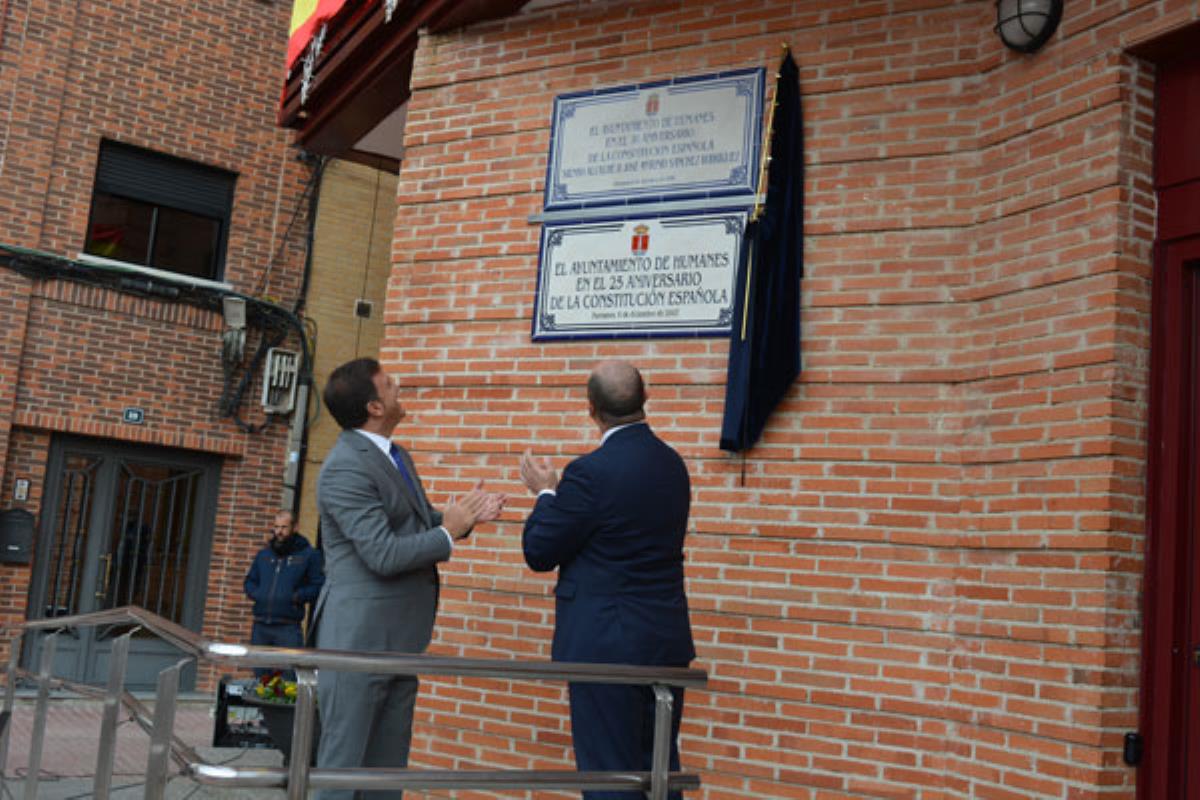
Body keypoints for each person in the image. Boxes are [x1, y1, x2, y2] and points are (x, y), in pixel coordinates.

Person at [313, 357, 503, 800]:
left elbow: (413, 525)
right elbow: (381, 553)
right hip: (357, 643)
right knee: (341, 776)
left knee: (385, 777)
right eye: (390, 385)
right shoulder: (344, 467)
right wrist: (447, 531)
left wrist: (464, 517)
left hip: (400, 643)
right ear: (375, 407)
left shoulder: (396, 455)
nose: (399, 389)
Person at [519, 360, 695, 800]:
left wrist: (545, 493)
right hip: (665, 642)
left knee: (609, 777)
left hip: (606, 648)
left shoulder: (588, 473)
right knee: (660, 770)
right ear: (646, 397)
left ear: (591, 410)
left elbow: (540, 551)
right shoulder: (673, 465)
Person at [242, 510, 324, 679]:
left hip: (288, 628)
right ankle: (263, 707)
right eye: (276, 527)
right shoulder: (264, 555)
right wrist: (259, 594)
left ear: (295, 527)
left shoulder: (309, 555)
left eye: (284, 527)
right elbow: (249, 582)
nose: (279, 532)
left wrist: (295, 597)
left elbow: (318, 586)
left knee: (289, 678)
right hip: (261, 627)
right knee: (261, 679)